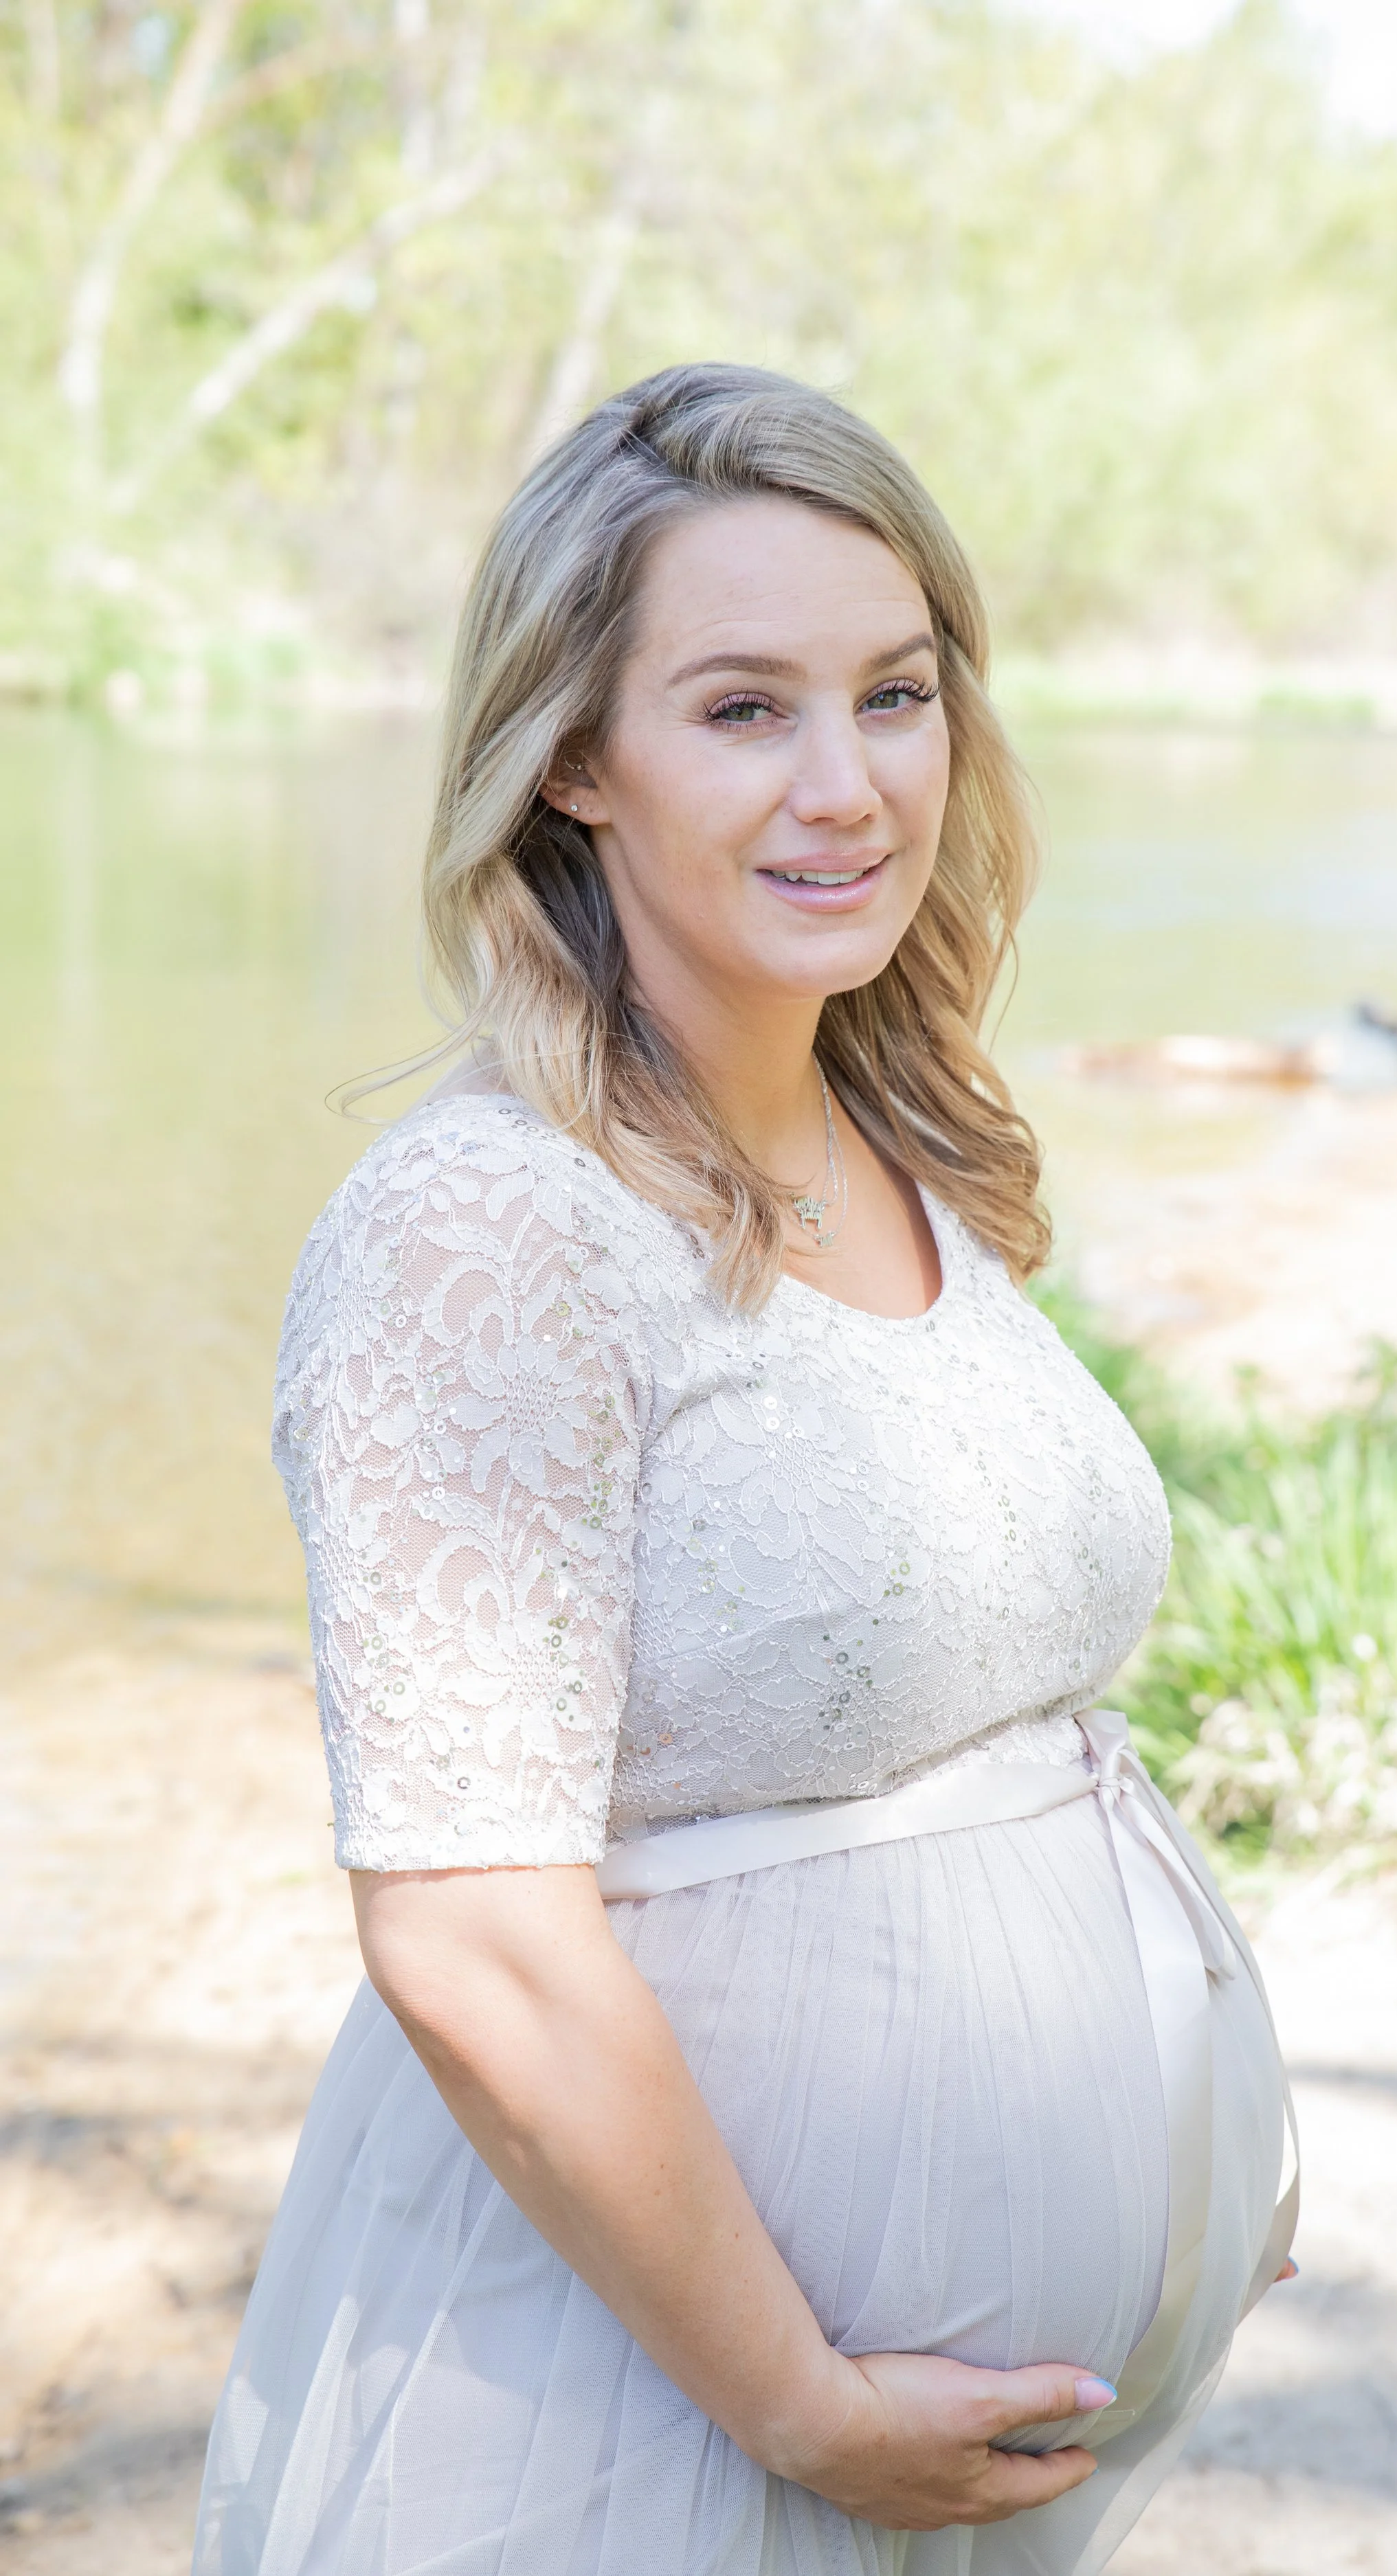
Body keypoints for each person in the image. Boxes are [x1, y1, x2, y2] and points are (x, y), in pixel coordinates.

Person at [193, 362, 1295, 2576]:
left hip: (941, 2463)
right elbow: (473, 1934)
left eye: (893, 693)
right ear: (573, 760)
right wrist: (800, 2400)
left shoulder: (905, 1144)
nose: (847, 785)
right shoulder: (484, 1230)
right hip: (642, 2425)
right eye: (739, 709)